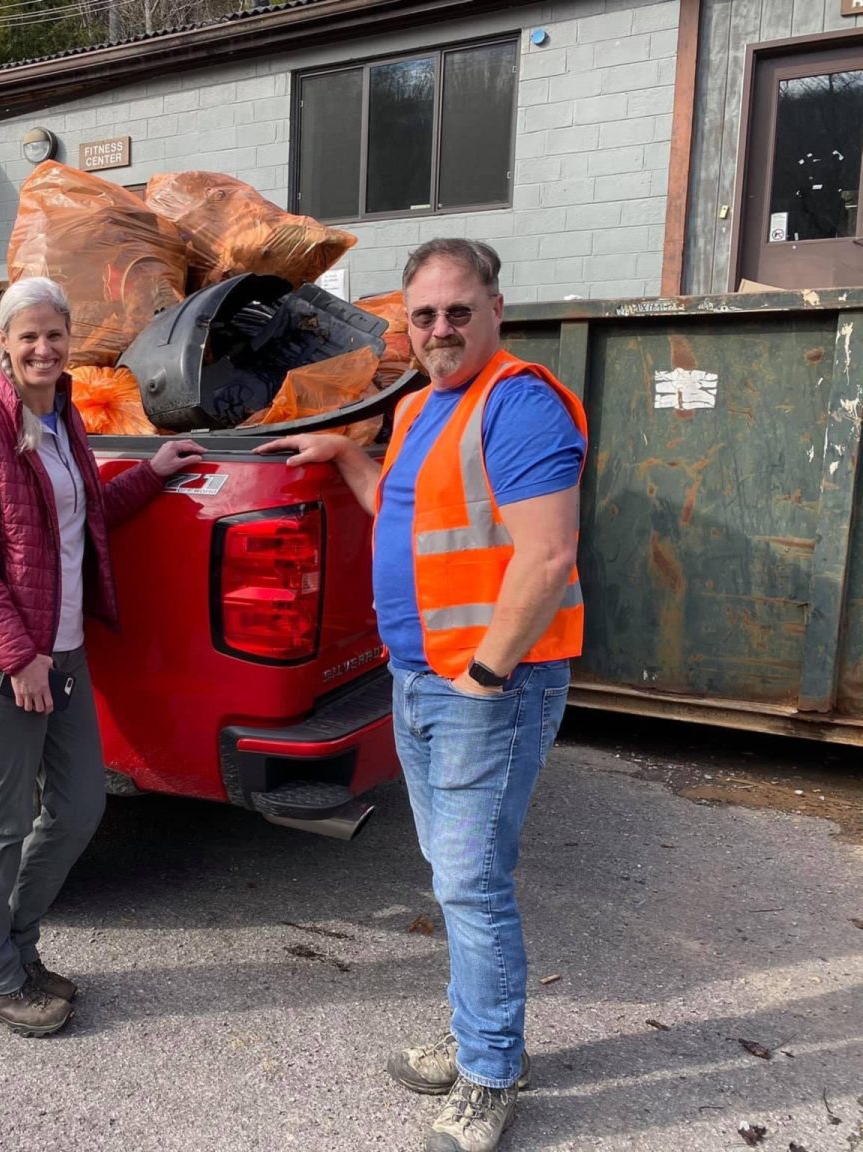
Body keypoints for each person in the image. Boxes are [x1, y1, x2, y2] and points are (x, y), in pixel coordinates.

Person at [258, 239, 587, 1152]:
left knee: (471, 885)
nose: (439, 329)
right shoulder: (421, 408)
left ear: (495, 309)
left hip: (488, 689)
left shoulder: (516, 405)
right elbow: (404, 509)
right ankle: (479, 1036)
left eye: (457, 311)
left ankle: (489, 1072)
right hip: (420, 679)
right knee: (455, 882)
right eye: (424, 315)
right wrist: (341, 454)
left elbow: (548, 554)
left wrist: (483, 675)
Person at [0, 276, 205, 1038]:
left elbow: (84, 520)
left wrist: (151, 473)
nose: (42, 348)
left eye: (54, 334)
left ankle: (15, 951)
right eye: (27, 335)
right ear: (5, 344)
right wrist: (19, 656)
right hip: (1, 666)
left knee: (82, 805)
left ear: (69, 343)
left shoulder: (67, 420)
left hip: (64, 655)